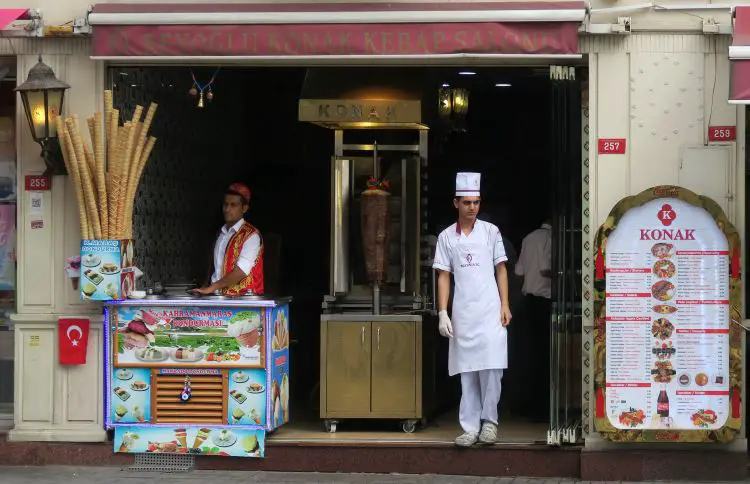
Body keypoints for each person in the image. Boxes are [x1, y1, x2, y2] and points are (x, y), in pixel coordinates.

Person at [433, 172, 512, 447]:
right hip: (463, 313)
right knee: (467, 371)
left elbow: (501, 269)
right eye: (467, 202)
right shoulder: (446, 237)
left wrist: (505, 304)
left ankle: (490, 422)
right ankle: (469, 427)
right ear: (456, 203)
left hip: (490, 311)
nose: (472, 207)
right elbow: (443, 275)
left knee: (492, 370)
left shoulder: (491, 232)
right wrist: (442, 312)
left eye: (476, 202)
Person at [192, 183, 264, 296]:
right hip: (218, 297)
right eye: (225, 204)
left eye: (233, 205)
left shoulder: (251, 235)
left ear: (244, 208)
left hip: (244, 301)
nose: (227, 209)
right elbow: (215, 269)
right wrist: (206, 287)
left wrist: (212, 287)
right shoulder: (221, 234)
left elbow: (241, 271)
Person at [514, 218, 552, 421]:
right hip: (545, 301)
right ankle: (542, 407)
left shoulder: (529, 238)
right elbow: (545, 270)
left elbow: (518, 272)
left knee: (529, 354)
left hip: (529, 300)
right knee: (545, 355)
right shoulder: (552, 238)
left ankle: (527, 404)